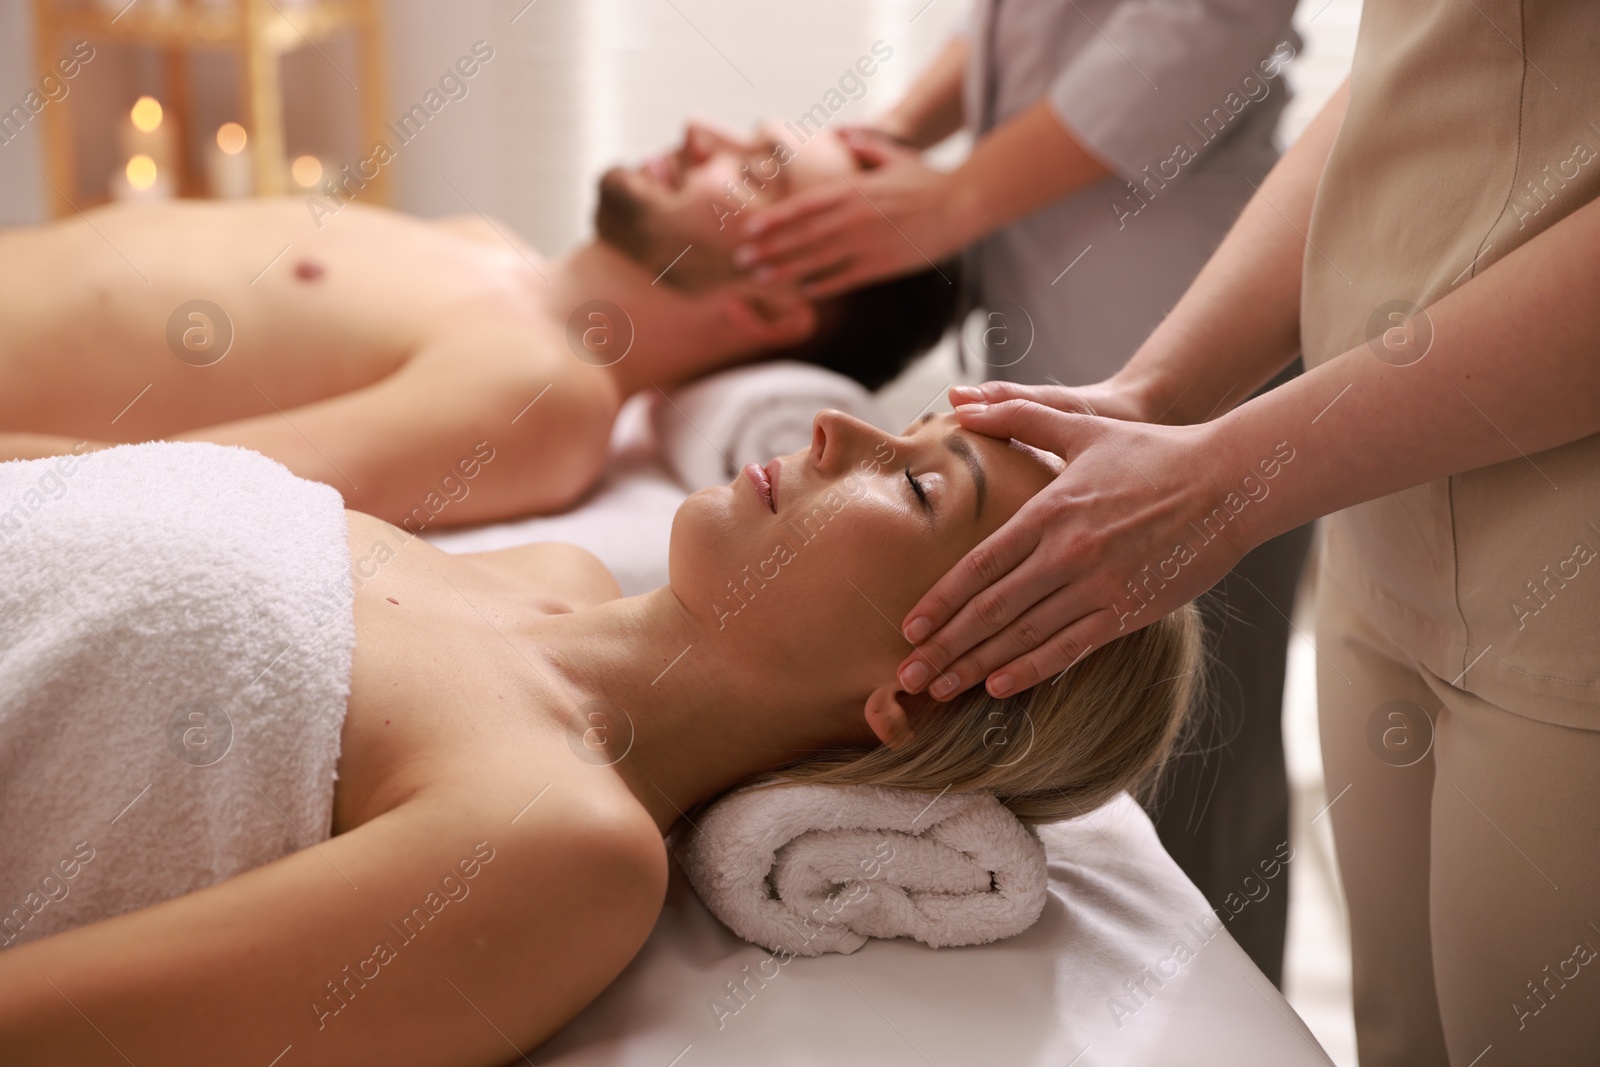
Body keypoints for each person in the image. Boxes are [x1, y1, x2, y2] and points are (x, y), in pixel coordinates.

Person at [0, 411, 1200, 1065]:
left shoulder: (564, 843)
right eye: (907, 427)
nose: (836, 427)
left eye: (920, 487)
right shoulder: (542, 570)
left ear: (917, 691)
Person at [882, 0, 1600, 1061]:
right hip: (1381, 509)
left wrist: (1225, 482)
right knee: (1401, 1033)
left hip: (1563, 581)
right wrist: (1155, 394)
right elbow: (1398, 91)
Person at [732, 0, 1303, 982]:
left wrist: (958, 195)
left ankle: (1218, 1011)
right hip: (1064, 307)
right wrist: (899, 134)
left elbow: (1208, 16)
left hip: (1190, 310)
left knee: (1202, 752)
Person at [0, 118, 956, 529]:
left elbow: (199, 489)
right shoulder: (482, 243)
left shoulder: (544, 396)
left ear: (769, 303)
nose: (704, 129)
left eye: (758, 172)